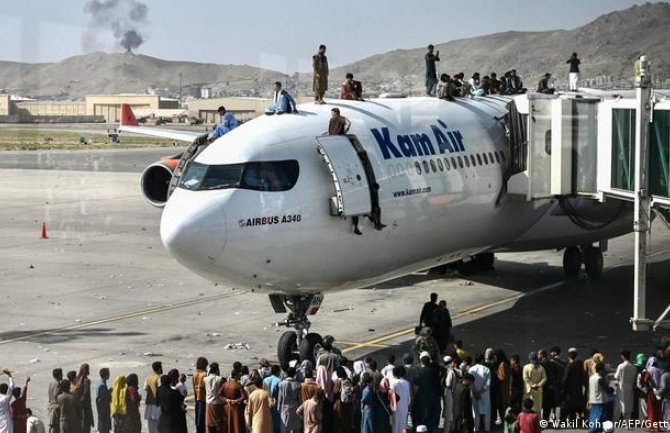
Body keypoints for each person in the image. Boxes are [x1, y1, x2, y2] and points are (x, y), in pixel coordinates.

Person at [413, 353, 440, 433]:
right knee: (431, 419)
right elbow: (438, 385)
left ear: (421, 362)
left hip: (421, 399)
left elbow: (416, 387)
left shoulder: (419, 372)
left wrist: (414, 397)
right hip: (433, 399)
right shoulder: (434, 372)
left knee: (421, 418)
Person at [560, 348, 585, 422]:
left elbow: (565, 379)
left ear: (569, 357)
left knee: (566, 406)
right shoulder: (580, 365)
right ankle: (572, 420)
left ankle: (563, 420)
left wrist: (562, 389)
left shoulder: (569, 366)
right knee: (574, 406)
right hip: (577, 389)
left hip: (569, 390)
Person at [469, 355, 492, 433]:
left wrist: (475, 392)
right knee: (486, 414)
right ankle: (486, 430)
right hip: (485, 395)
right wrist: (480, 391)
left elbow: (470, 383)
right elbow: (488, 384)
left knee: (476, 414)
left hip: (474, 394)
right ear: (482, 360)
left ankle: (476, 430)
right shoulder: (487, 370)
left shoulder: (471, 369)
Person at [588, 363, 613, 433]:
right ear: (601, 370)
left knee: (593, 418)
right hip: (600, 401)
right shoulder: (600, 379)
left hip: (593, 400)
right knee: (600, 419)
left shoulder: (591, 378)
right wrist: (611, 389)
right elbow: (607, 389)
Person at [615, 350, 637, 422]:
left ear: (623, 356)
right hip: (630, 386)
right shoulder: (634, 367)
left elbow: (616, 376)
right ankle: (627, 420)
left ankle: (617, 420)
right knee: (629, 403)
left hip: (621, 387)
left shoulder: (621, 366)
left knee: (620, 404)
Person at [277, 367, 302, 433]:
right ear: (294, 374)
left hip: (285, 408)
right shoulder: (298, 384)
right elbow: (300, 399)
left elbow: (280, 398)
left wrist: (279, 409)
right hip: (295, 408)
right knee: (295, 429)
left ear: (287, 374)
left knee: (285, 429)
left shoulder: (282, 384)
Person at [205, 363, 225, 433]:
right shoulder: (220, 379)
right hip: (218, 403)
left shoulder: (205, 379)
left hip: (209, 404)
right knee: (219, 424)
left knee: (209, 424)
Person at [333, 367, 353, 433]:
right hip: (349, 402)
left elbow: (335, 392)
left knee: (340, 419)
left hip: (340, 403)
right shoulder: (348, 380)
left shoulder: (337, 381)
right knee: (347, 418)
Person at [143, 362, 162, 433]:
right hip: (157, 405)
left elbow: (145, 388)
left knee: (150, 427)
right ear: (159, 368)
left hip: (149, 404)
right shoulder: (159, 378)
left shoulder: (148, 377)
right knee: (157, 426)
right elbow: (161, 389)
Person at [74, 364, 93, 433]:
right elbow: (86, 393)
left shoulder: (77, 379)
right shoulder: (86, 381)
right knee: (86, 425)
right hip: (85, 406)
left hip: (78, 405)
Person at [263, 365, 282, 433]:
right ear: (278, 372)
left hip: (266, 403)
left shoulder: (265, 380)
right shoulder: (279, 381)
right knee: (276, 424)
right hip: (276, 404)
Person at [442, 357, 459, 433]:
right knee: (449, 415)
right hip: (450, 393)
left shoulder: (443, 369)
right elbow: (448, 383)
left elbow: (447, 383)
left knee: (447, 414)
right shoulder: (451, 371)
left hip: (445, 393)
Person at [193, 357, 209, 433]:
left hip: (197, 397)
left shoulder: (195, 374)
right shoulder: (205, 374)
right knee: (202, 418)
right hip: (203, 398)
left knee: (197, 418)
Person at [96, 368, 111, 433]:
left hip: (102, 407)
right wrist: (110, 392)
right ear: (105, 375)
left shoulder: (100, 381)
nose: (109, 375)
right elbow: (103, 397)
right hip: (103, 407)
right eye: (108, 374)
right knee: (104, 424)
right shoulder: (102, 384)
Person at [48, 369, 63, 433]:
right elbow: (56, 395)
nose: (62, 375)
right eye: (61, 374)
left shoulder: (51, 382)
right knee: (56, 427)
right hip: (56, 407)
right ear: (59, 375)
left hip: (51, 405)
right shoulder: (57, 384)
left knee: (52, 425)